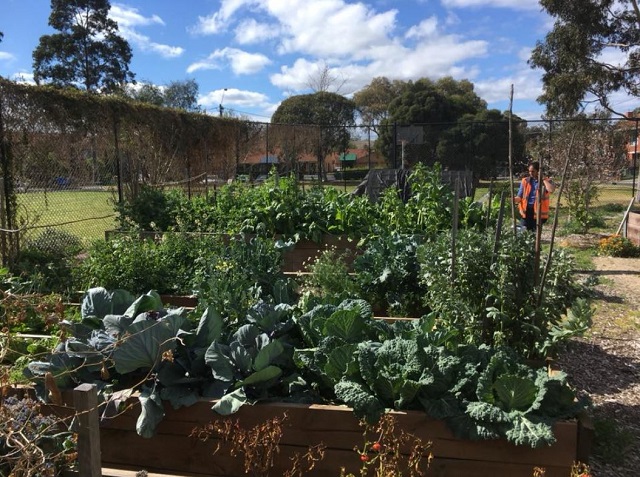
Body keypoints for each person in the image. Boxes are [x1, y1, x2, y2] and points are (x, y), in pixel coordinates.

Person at [514, 161, 555, 232]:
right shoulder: (525, 181)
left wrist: (543, 179)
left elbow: (551, 190)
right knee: (523, 232)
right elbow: (519, 197)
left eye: (533, 171)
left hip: (538, 213)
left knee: (534, 234)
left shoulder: (546, 181)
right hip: (526, 212)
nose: (531, 173)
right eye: (529, 171)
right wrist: (513, 199)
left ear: (538, 171)